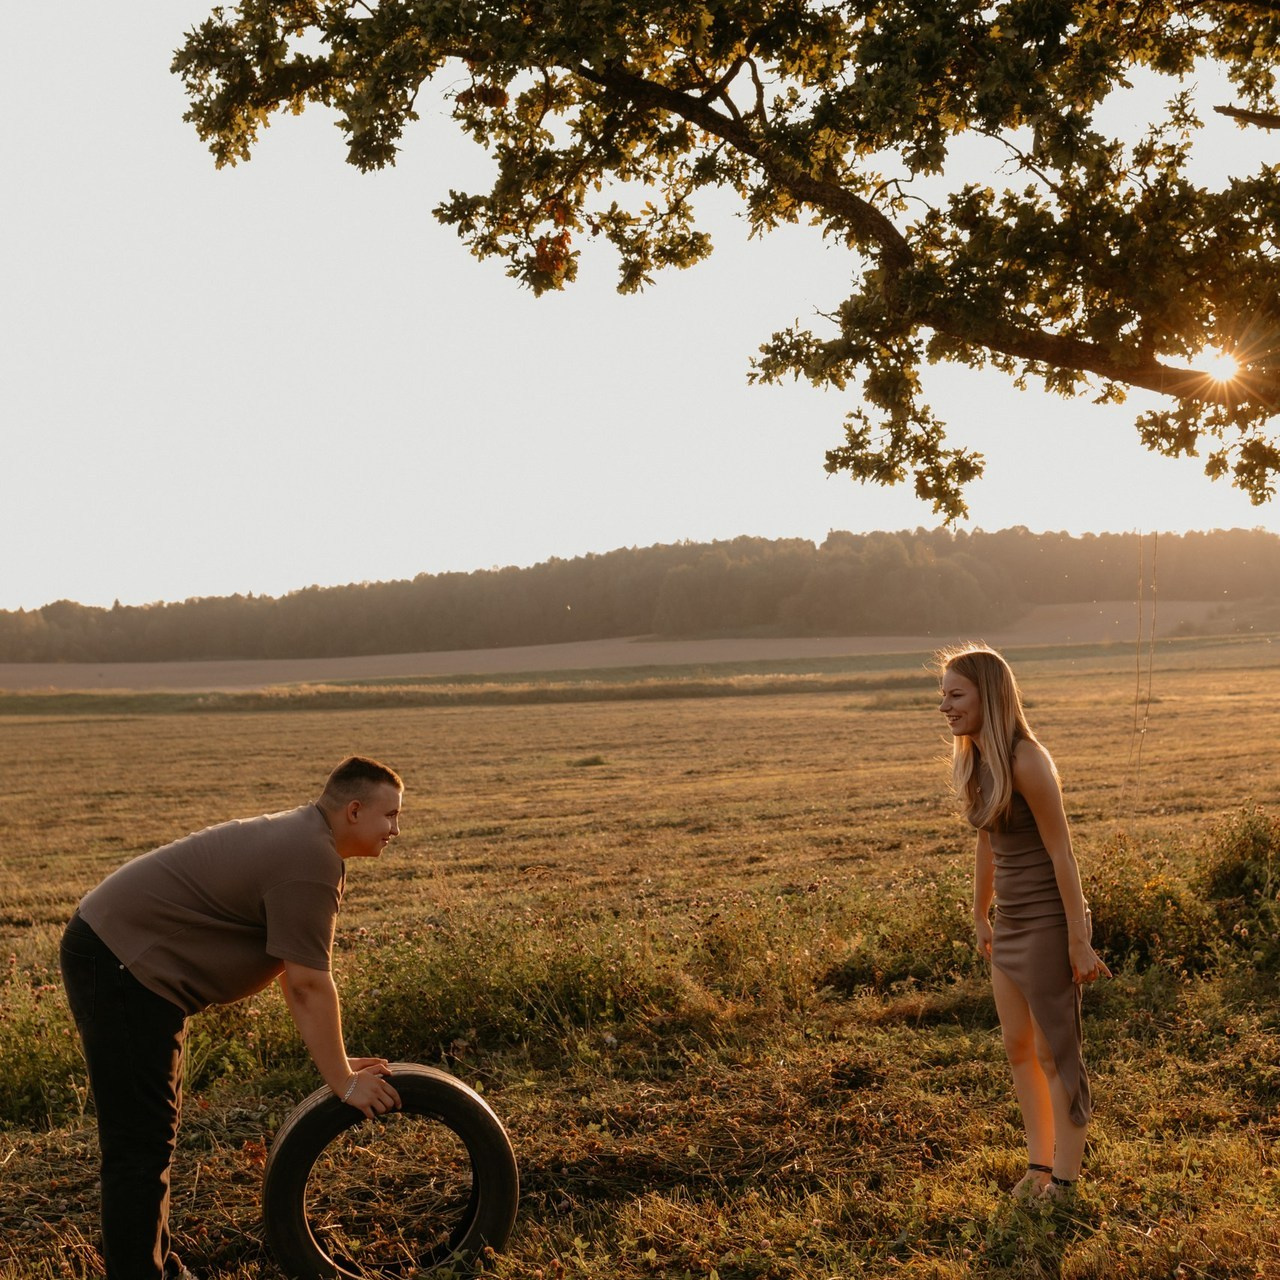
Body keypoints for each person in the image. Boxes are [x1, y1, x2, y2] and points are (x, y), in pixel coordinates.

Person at [59, 755, 407, 1280]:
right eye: (391, 816)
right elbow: (310, 984)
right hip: (121, 962)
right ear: (354, 810)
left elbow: (297, 976)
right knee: (139, 1143)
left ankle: (155, 1267)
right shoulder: (309, 858)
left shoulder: (308, 842)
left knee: (151, 1135)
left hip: (128, 962)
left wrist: (339, 1065)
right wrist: (344, 1082)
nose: (396, 830)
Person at [936, 646, 1111, 1202]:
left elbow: (1063, 854)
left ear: (988, 696)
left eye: (955, 695)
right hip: (1008, 924)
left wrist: (1078, 941)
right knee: (1017, 1046)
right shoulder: (976, 760)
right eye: (942, 694)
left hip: (1046, 926)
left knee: (1055, 1052)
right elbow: (987, 839)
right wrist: (980, 913)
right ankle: (1039, 1165)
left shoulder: (1026, 760)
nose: (944, 705)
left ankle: (1065, 1179)